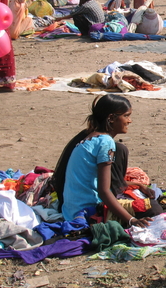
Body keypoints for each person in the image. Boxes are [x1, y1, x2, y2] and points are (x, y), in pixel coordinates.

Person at [53, 95, 159, 226]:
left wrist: (139, 185)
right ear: (111, 118)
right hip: (88, 213)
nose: (129, 121)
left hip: (69, 210)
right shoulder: (106, 142)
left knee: (121, 149)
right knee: (153, 208)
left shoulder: (89, 137)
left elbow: (100, 181)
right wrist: (131, 220)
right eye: (126, 116)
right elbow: (103, 191)